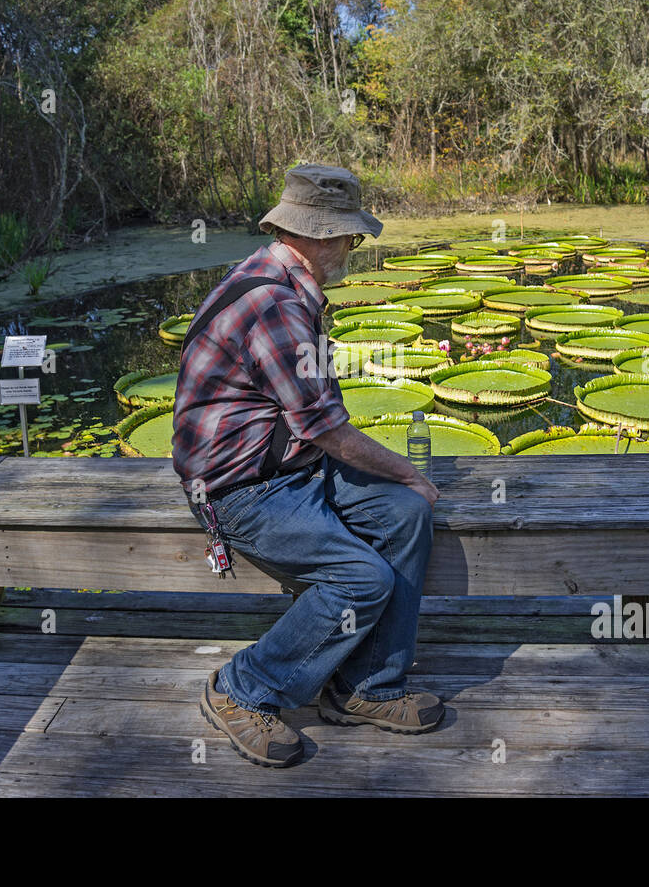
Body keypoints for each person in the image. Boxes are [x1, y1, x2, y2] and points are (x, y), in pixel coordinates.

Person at [171, 163, 444, 768]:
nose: (354, 246)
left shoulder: (283, 281)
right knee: (360, 578)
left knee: (403, 516)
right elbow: (325, 426)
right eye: (351, 235)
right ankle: (241, 689)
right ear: (320, 234)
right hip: (241, 487)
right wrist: (408, 470)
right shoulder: (275, 305)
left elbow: (310, 422)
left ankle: (365, 689)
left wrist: (404, 490)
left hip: (294, 465)